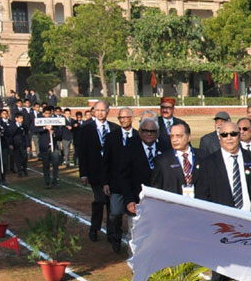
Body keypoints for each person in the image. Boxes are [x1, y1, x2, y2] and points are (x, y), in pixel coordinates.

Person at [195, 120, 251, 281]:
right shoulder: (209, 163)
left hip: (247, 222)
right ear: (219, 137)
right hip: (221, 225)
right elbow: (202, 196)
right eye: (225, 135)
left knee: (245, 269)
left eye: (233, 133)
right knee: (220, 269)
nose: (230, 138)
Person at [109, 116, 160, 246]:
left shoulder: (165, 148)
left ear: (158, 133)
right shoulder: (129, 149)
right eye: (145, 131)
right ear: (139, 131)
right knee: (137, 237)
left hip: (159, 203)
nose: (149, 134)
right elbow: (124, 177)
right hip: (136, 202)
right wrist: (129, 199)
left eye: (152, 131)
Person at [77, 100, 122, 242]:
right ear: (93, 111)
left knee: (111, 203)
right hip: (94, 172)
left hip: (112, 173)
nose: (100, 113)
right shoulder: (86, 128)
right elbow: (82, 153)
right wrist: (83, 173)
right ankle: (94, 228)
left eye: (103, 110)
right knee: (100, 200)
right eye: (98, 110)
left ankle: (111, 232)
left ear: (108, 111)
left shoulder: (115, 128)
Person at [150, 123, 196, 195]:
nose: (174, 140)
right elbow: (156, 189)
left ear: (189, 137)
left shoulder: (203, 156)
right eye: (172, 136)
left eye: (179, 136)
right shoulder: (162, 160)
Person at [36, 106, 67, 189]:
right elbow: (35, 130)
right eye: (46, 113)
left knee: (55, 164)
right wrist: (44, 128)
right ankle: (47, 182)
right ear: (43, 114)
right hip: (45, 146)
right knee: (46, 165)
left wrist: (54, 132)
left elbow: (60, 134)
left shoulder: (55, 123)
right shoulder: (40, 122)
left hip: (54, 146)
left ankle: (55, 181)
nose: (48, 115)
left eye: (49, 113)